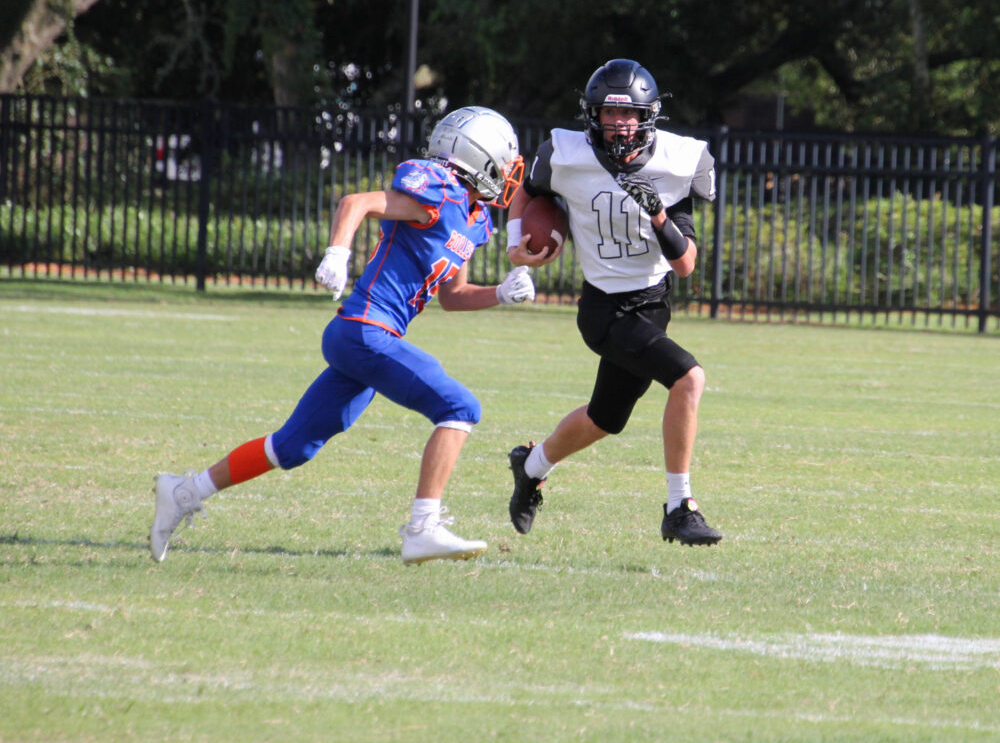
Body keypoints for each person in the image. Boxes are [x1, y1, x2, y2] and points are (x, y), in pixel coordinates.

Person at [149, 106, 537, 565]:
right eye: (501, 162)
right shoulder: (437, 190)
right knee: (460, 406)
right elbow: (357, 203)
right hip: (364, 330)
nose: (507, 175)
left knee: (291, 447)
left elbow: (452, 296)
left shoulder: (472, 217)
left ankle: (185, 490)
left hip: (368, 338)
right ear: (479, 156)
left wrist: (501, 293)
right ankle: (422, 528)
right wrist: (338, 253)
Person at [504, 58, 722, 546]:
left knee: (606, 419)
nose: (619, 125)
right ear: (593, 115)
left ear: (648, 117)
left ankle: (531, 465)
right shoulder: (565, 154)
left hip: (653, 306)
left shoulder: (678, 161)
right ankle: (679, 507)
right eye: (609, 113)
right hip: (604, 310)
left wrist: (661, 217)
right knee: (689, 378)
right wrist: (519, 244)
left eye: (629, 115)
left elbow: (686, 266)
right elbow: (526, 190)